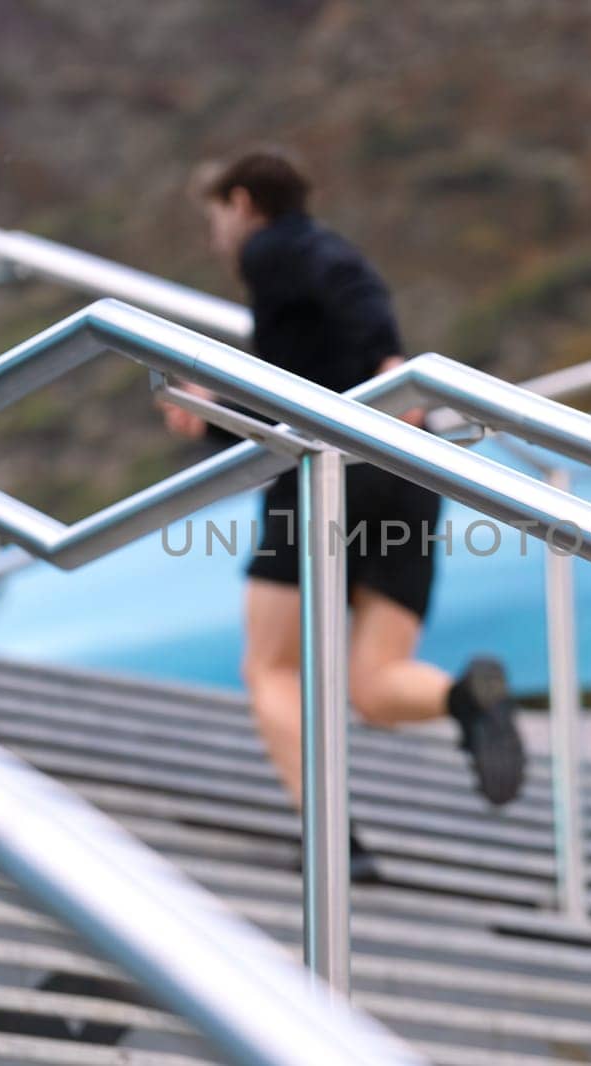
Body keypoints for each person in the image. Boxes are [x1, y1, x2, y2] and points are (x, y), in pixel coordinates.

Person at [159, 148, 526, 883]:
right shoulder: (313, 262)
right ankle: (462, 699)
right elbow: (313, 372)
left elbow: (318, 376)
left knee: (269, 666)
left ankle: (334, 838)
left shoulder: (279, 249)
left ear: (240, 202)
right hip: (406, 469)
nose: (216, 240)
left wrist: (389, 363)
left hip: (332, 467)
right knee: (374, 684)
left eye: (215, 221)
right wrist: (222, 413)